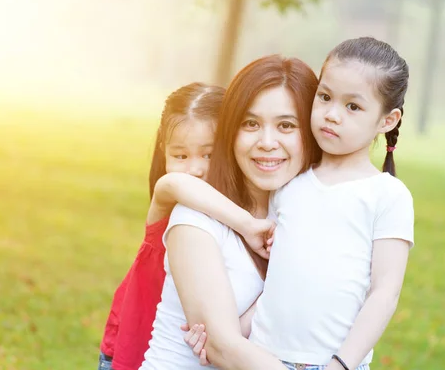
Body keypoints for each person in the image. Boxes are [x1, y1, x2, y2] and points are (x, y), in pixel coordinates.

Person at [184, 37, 415, 370]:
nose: (332, 115)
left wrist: (341, 364)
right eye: (324, 97)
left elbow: (383, 294)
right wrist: (225, 336)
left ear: (387, 120)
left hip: (332, 364)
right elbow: (278, 283)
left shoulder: (387, 196)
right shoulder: (290, 185)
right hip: (261, 358)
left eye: (353, 106)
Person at [140, 54, 321, 369]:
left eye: (286, 125)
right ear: (230, 132)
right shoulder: (194, 219)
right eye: (251, 123)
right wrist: (225, 341)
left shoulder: (299, 215)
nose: (267, 142)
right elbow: (223, 350)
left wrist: (234, 332)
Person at [98, 82, 272, 370]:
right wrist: (247, 225)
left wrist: (227, 335)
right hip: (130, 346)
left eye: (209, 154)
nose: (195, 169)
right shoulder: (175, 203)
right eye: (180, 156)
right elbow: (173, 182)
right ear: (163, 153)